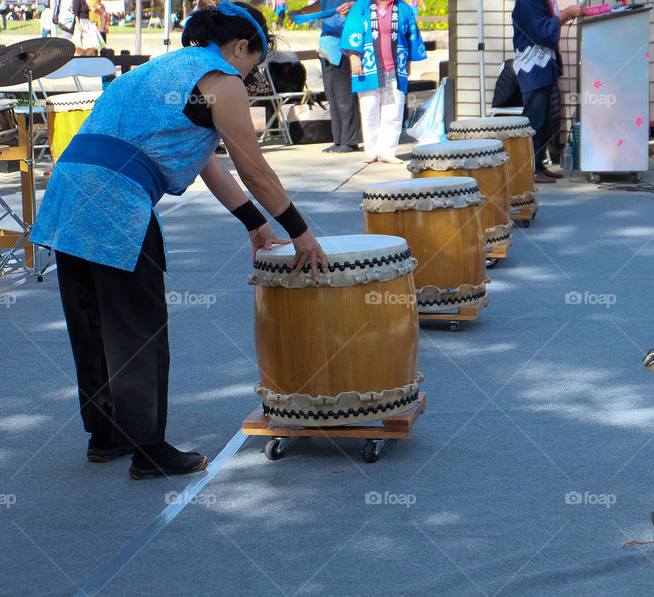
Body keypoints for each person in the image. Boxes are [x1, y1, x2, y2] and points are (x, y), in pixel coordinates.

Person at [29, 2, 329, 480]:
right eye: (255, 59)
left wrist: (253, 222)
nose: (252, 72)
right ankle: (149, 449)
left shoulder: (167, 65)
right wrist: (301, 232)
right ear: (239, 47)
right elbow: (253, 167)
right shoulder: (222, 80)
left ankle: (106, 436)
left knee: (92, 320)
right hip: (116, 199)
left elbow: (208, 163)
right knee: (136, 325)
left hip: (69, 186)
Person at [340, 0, 427, 164]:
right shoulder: (361, 6)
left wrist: (407, 64)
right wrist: (353, 57)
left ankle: (387, 151)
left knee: (394, 111)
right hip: (368, 67)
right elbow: (352, 30)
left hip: (396, 67)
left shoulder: (404, 9)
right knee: (369, 110)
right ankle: (371, 151)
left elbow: (411, 37)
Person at [512, 0, 581, 183]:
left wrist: (565, 15)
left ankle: (539, 165)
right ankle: (531, 169)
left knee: (546, 119)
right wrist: (566, 14)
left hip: (544, 64)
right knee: (534, 120)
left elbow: (547, 27)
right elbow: (542, 31)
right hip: (533, 66)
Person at [289, 0, 360, 153]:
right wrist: (300, 13)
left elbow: (372, 5)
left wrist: (354, 5)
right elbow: (321, 5)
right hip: (327, 47)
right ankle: (339, 139)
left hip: (345, 46)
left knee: (345, 97)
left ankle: (350, 140)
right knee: (332, 96)